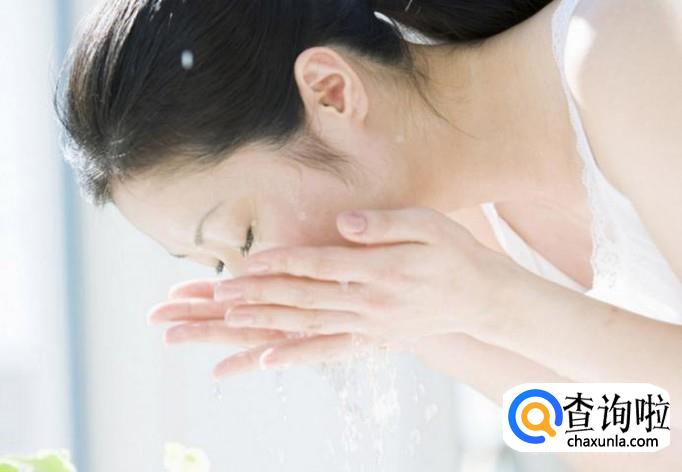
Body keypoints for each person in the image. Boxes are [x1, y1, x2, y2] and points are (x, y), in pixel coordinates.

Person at [55, 0, 681, 468]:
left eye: (243, 237)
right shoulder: (455, 245)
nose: (259, 281)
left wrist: (498, 303)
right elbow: (643, 444)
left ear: (330, 92)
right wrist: (432, 332)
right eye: (220, 266)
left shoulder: (622, 53)